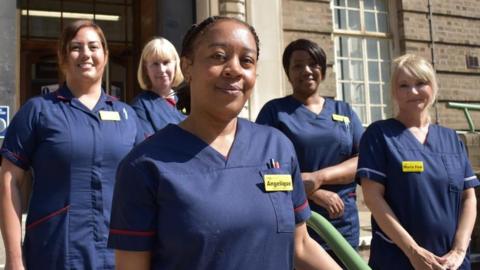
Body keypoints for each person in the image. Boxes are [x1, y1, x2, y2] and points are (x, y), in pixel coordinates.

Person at [108, 16, 340, 270]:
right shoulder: (144, 166)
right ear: (187, 67)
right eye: (218, 56)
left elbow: (301, 245)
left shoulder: (276, 147)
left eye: (247, 60)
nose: (234, 69)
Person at [0, 20, 138, 269]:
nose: (86, 54)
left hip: (117, 257)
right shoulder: (38, 111)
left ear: (105, 56)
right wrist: (14, 259)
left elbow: (146, 186)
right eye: (76, 47)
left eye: (94, 47)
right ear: (62, 57)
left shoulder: (128, 117)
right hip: (55, 254)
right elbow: (9, 181)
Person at [357, 54, 479, 270]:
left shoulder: (451, 138)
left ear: (432, 87)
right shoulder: (379, 135)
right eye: (404, 85)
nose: (413, 91)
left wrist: (459, 251)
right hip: (399, 261)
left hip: (451, 264)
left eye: (420, 83)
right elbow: (373, 198)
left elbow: (468, 197)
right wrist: (413, 252)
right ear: (394, 92)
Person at [256, 38, 364, 264]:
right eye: (297, 65)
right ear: (288, 73)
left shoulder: (343, 110)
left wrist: (318, 178)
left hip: (343, 224)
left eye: (313, 64)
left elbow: (363, 161)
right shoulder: (275, 112)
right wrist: (312, 192)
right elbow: (263, 169)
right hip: (296, 223)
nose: (306, 70)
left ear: (322, 70)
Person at [132, 37, 185, 141]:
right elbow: (148, 147)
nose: (162, 70)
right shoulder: (140, 107)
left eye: (166, 62)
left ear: (176, 65)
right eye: (155, 64)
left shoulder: (188, 100)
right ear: (145, 69)